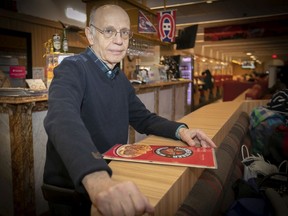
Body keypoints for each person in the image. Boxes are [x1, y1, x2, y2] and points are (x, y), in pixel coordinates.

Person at [42, 4, 216, 216]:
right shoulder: (72, 68)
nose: (119, 40)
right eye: (109, 31)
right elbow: (61, 119)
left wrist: (181, 131)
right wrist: (96, 178)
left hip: (114, 172)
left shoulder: (118, 76)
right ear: (90, 35)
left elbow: (143, 119)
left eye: (125, 32)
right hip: (76, 187)